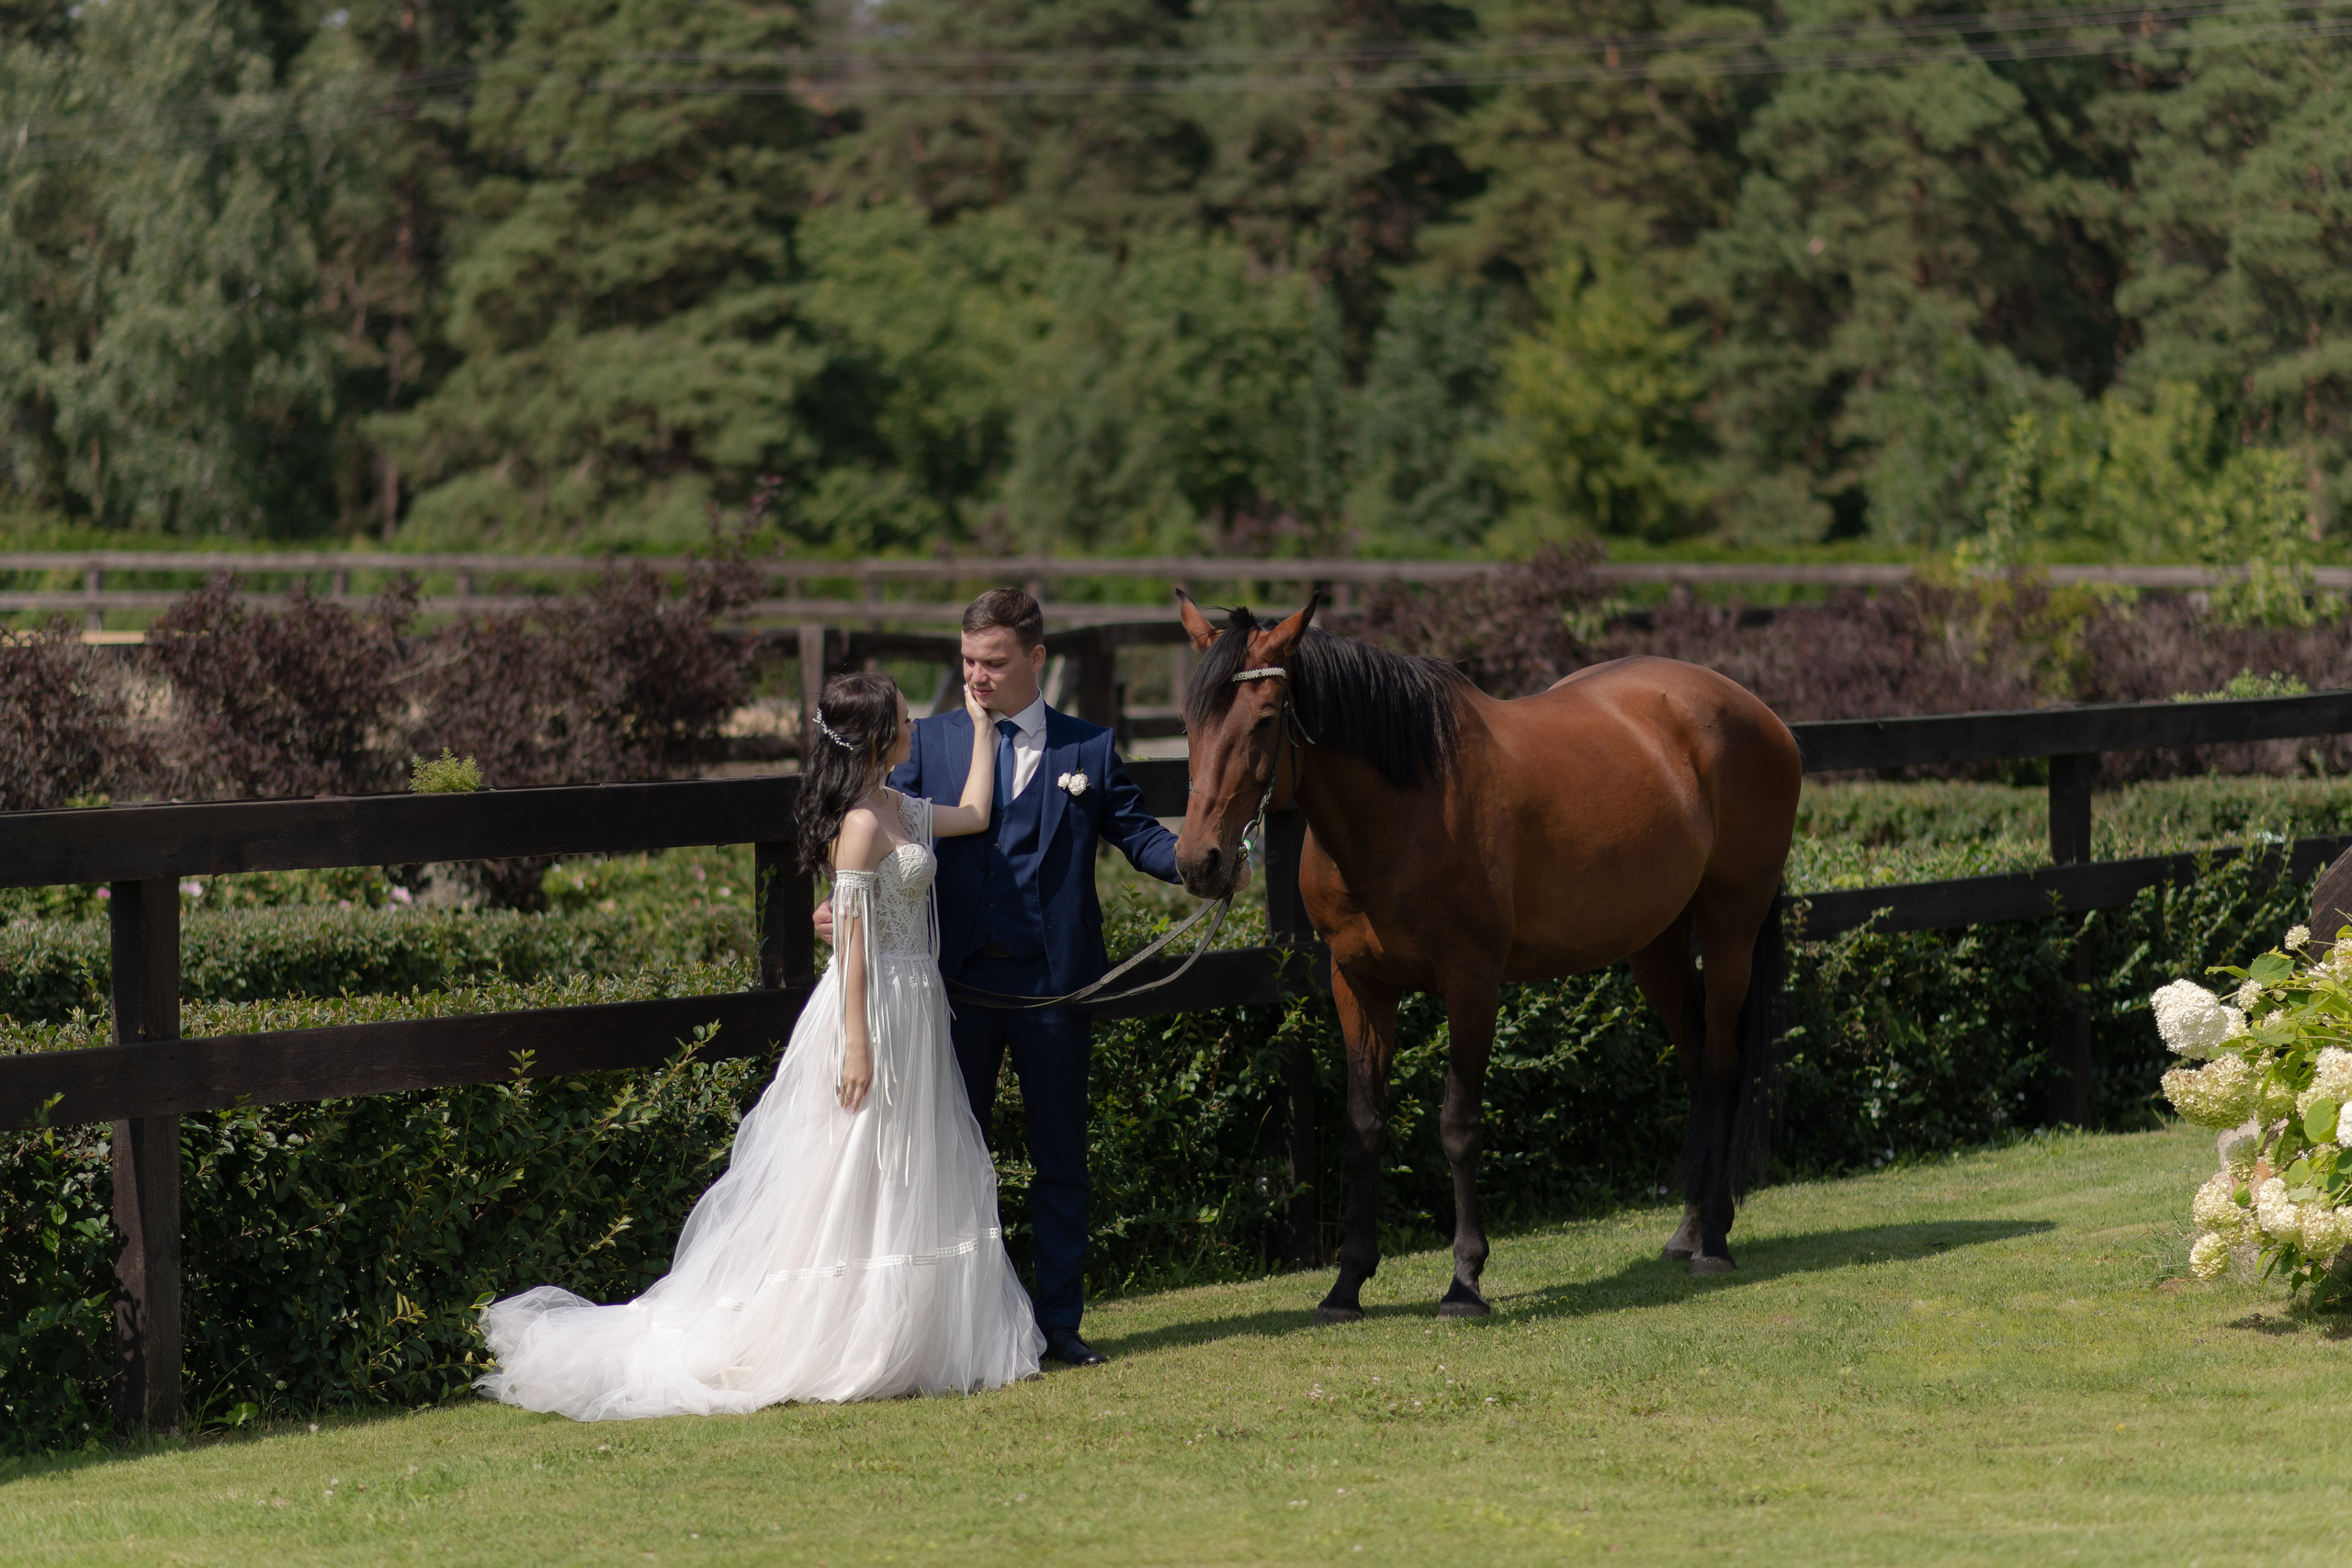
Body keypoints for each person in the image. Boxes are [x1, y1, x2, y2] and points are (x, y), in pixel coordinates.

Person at [475, 671, 1042, 1419]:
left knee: (907, 1166)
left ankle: (904, 1331)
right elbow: (856, 947)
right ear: (876, 736)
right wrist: (857, 1042)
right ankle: (838, 1332)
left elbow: (973, 811)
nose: (913, 731)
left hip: (917, 1002)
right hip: (870, 1009)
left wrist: (981, 729)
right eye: (904, 722)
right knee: (849, 1168)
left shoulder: (897, 805)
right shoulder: (861, 824)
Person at [819, 587, 1225, 1368]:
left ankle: (1058, 1326)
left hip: (1055, 991)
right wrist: (841, 905)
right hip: (953, 993)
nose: (976, 675)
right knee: (942, 1161)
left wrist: (1202, 865)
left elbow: (1139, 835)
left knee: (1060, 1161)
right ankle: (949, 1329)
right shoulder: (925, 741)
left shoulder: (1089, 748)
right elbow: (858, 823)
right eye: (968, 659)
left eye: (994, 662)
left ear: (1036, 659)